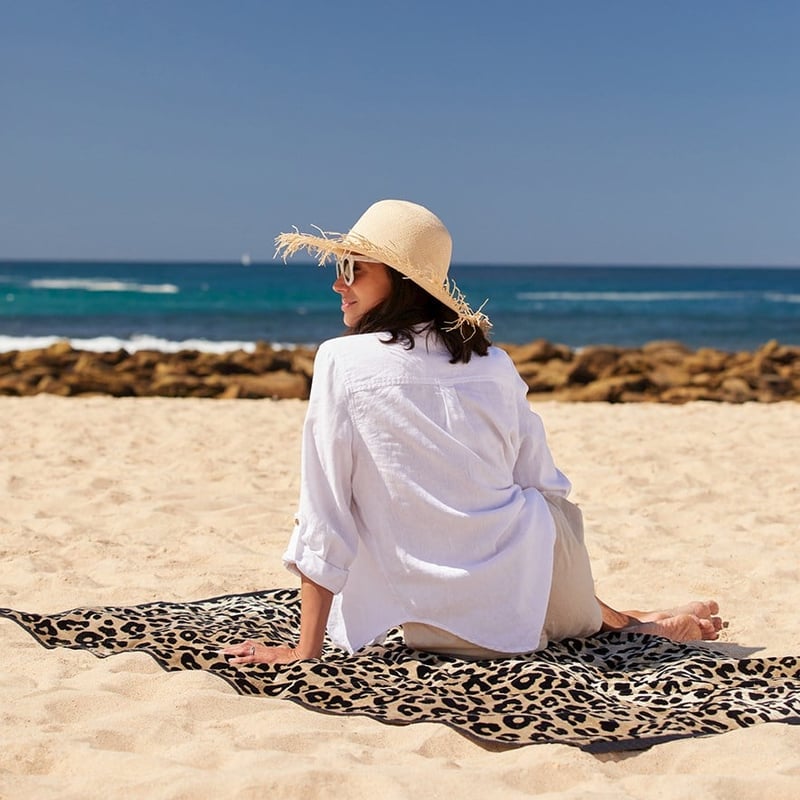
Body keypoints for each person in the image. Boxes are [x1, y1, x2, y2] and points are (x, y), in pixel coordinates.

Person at [223, 199, 723, 667]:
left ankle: (632, 622)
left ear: (400, 281)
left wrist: (304, 651)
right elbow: (545, 484)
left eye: (354, 269)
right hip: (531, 595)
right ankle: (628, 622)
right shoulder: (494, 363)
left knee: (515, 528)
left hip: (434, 617)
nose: (338, 283)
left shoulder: (339, 359)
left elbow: (324, 511)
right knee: (535, 518)